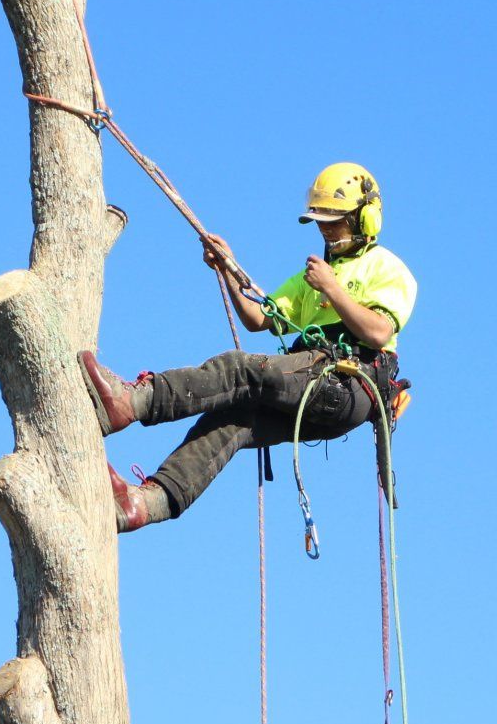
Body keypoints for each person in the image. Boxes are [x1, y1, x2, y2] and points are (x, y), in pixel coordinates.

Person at [78, 163, 417, 532]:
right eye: (321, 222)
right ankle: (147, 503)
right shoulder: (314, 277)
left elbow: (379, 333)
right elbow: (258, 319)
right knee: (231, 420)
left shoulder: (386, 269)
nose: (325, 230)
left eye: (334, 222)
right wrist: (227, 270)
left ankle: (130, 402)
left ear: (364, 219)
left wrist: (332, 290)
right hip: (314, 382)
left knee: (240, 369)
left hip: (349, 383)